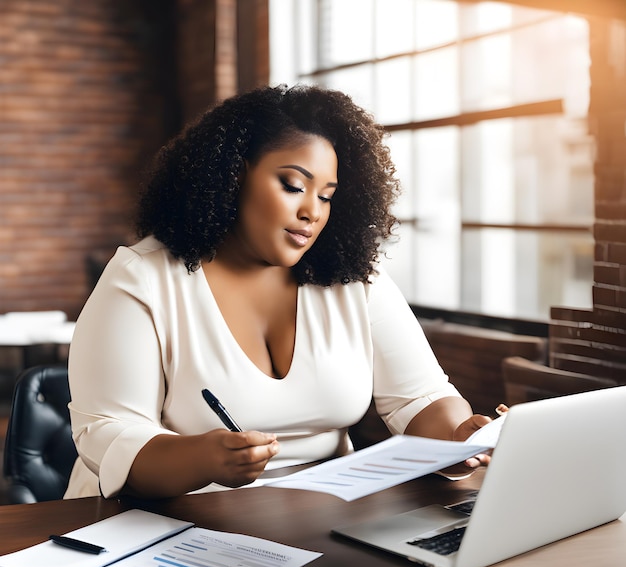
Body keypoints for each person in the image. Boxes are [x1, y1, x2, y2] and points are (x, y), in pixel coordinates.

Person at [64, 84, 492, 500]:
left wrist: (461, 438)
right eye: (292, 185)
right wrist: (201, 459)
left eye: (326, 197)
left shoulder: (353, 279)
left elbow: (421, 398)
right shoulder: (141, 279)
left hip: (322, 521)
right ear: (232, 173)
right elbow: (110, 435)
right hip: (162, 525)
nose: (311, 212)